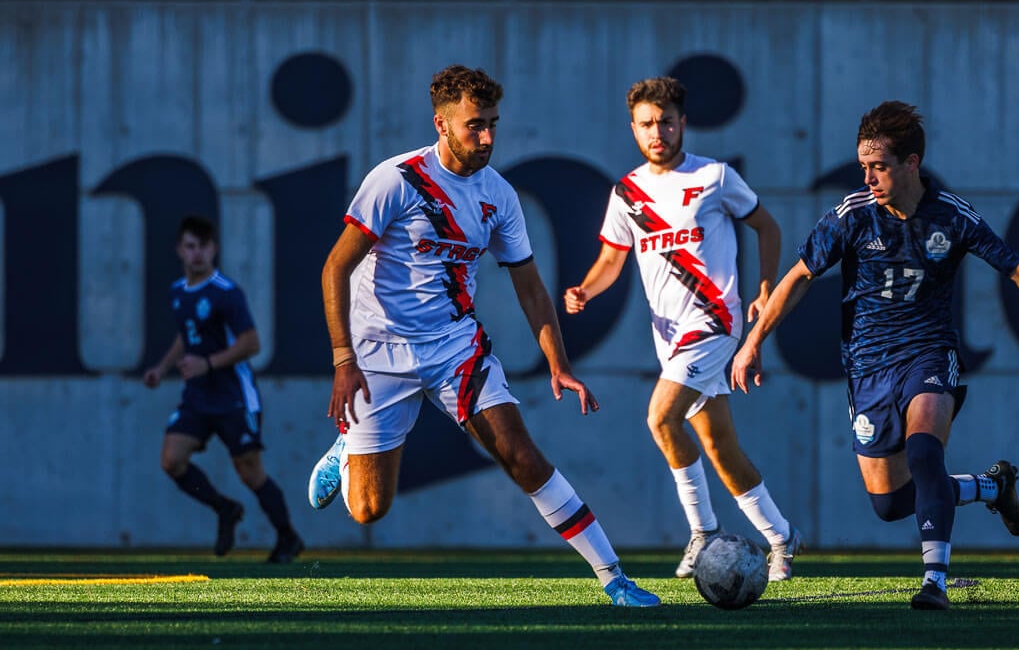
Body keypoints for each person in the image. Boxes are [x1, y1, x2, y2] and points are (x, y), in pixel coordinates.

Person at [304, 64, 660, 608]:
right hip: (378, 354)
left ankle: (613, 577)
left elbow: (532, 289)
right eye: (476, 125)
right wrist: (342, 360)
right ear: (441, 125)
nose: (489, 136)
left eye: (493, 123)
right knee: (368, 510)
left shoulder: (499, 195)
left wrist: (558, 364)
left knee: (522, 455)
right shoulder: (396, 180)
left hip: (454, 349)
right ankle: (349, 446)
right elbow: (335, 269)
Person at [731, 101, 1019, 610]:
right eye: (863, 166)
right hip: (867, 367)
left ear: (912, 163)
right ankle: (990, 486)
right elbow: (799, 276)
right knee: (889, 503)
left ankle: (934, 580)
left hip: (929, 353)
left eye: (880, 166)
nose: (868, 177)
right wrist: (753, 341)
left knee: (923, 452)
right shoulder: (853, 216)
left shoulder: (951, 216)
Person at [564, 76, 801, 582]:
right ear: (633, 128)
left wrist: (763, 289)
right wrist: (585, 289)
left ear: (682, 124)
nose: (658, 132)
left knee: (659, 418)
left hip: (714, 323)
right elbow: (611, 258)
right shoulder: (627, 192)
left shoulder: (714, 177)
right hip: (669, 339)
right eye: (647, 124)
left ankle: (703, 531)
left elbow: (768, 227)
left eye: (666, 122)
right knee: (720, 448)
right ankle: (782, 538)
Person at [143, 215, 304, 563]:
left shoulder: (226, 294)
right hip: (198, 397)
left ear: (213, 249)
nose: (197, 253)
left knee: (249, 472)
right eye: (190, 246)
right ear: (179, 250)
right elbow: (186, 337)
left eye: (203, 246)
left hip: (233, 395)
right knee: (171, 460)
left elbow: (251, 344)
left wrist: (209, 363)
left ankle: (288, 537)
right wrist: (162, 367)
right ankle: (224, 509)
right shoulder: (177, 292)